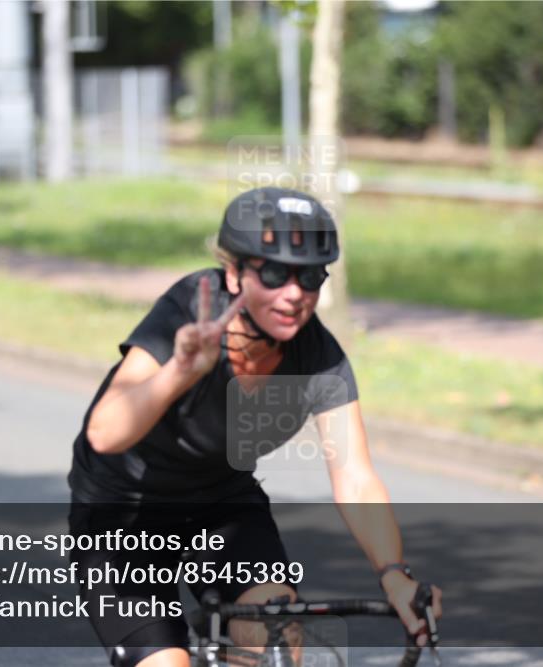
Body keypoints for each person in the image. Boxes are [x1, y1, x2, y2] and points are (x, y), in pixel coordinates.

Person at [68, 186, 442, 666]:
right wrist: (180, 371)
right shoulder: (191, 310)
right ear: (233, 273)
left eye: (309, 277)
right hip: (126, 514)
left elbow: (354, 475)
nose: (293, 295)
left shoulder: (318, 358)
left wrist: (394, 573)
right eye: (273, 273)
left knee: (276, 635)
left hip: (222, 505)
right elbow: (105, 432)